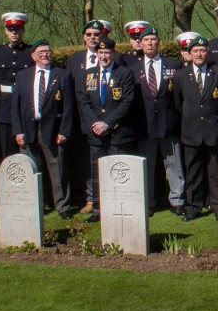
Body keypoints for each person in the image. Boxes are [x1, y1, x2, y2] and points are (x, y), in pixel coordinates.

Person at [11, 39, 75, 219]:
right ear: (33, 56)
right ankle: (34, 204)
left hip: (53, 130)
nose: (45, 55)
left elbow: (69, 106)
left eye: (48, 51)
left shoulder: (61, 75)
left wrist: (64, 131)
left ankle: (63, 207)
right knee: (31, 168)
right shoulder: (23, 76)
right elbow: (15, 106)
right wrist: (18, 131)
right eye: (41, 53)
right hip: (28, 129)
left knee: (58, 169)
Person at [79, 36, 137, 221]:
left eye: (107, 53)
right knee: (97, 174)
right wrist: (96, 124)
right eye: (101, 53)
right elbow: (85, 102)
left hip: (117, 132)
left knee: (119, 173)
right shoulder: (89, 74)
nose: (104, 56)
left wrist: (108, 123)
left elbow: (127, 102)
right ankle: (97, 211)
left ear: (114, 53)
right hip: (96, 133)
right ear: (96, 54)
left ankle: (121, 207)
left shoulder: (124, 73)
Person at [173, 35, 218, 221]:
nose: (199, 54)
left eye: (203, 50)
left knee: (216, 174)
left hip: (215, 131)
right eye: (195, 51)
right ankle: (193, 207)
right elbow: (179, 104)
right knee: (193, 173)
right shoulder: (181, 75)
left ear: (208, 52)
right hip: (192, 131)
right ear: (189, 54)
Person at [132, 25, 185, 215]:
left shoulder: (173, 65)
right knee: (146, 166)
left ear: (159, 43)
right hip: (144, 125)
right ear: (141, 43)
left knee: (174, 164)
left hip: (169, 123)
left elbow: (179, 97)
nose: (150, 43)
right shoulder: (133, 69)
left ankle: (177, 200)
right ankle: (148, 202)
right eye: (146, 40)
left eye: (153, 40)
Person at [68, 20, 109, 216]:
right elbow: (70, 93)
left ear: (102, 37)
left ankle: (108, 196)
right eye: (89, 34)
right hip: (82, 120)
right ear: (84, 37)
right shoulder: (74, 60)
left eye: (96, 34)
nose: (93, 37)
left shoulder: (111, 57)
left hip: (105, 122)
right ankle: (91, 198)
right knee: (87, 161)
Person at [0, 12, 34, 159]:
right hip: (6, 108)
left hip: (26, 106)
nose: (14, 32)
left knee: (29, 151)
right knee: (8, 153)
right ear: (6, 31)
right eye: (11, 29)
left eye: (18, 29)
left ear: (23, 30)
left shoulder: (31, 52)